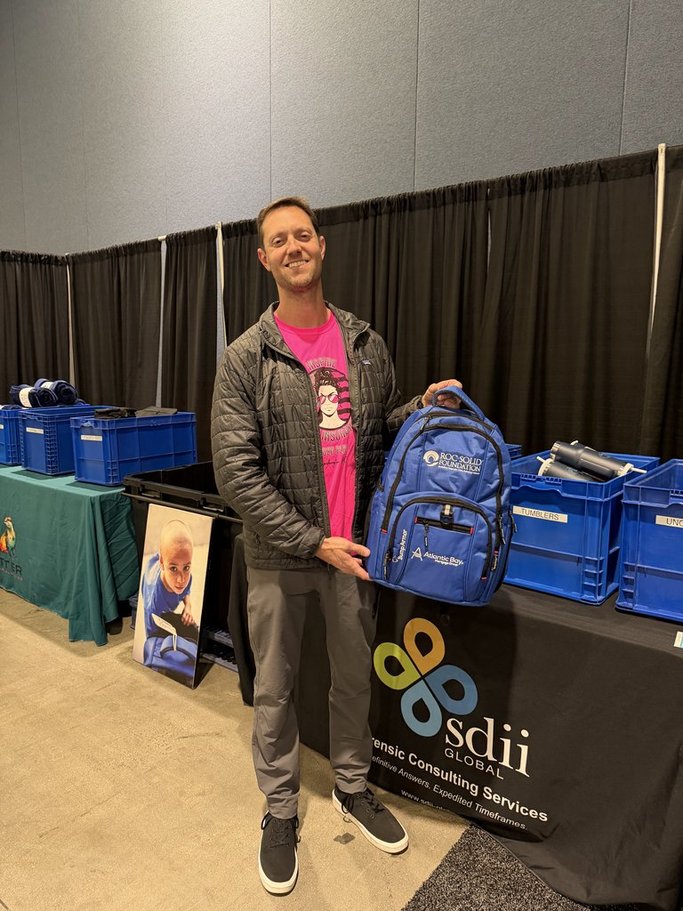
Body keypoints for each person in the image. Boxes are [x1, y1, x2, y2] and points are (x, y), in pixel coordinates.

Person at [211, 196, 461, 895]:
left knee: (353, 679)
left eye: (302, 235)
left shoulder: (362, 341)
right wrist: (309, 539)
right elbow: (236, 471)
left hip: (354, 552)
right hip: (278, 556)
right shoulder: (244, 358)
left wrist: (421, 408)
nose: (292, 247)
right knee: (275, 690)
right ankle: (281, 807)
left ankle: (352, 786)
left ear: (321, 245)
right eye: (277, 240)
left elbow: (375, 429)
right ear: (263, 259)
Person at [140, 518, 199, 656]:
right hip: (152, 579)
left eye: (186, 567)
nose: (181, 579)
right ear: (162, 563)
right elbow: (151, 640)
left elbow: (186, 592)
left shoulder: (187, 577)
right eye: (173, 568)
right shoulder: (154, 604)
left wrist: (188, 607)